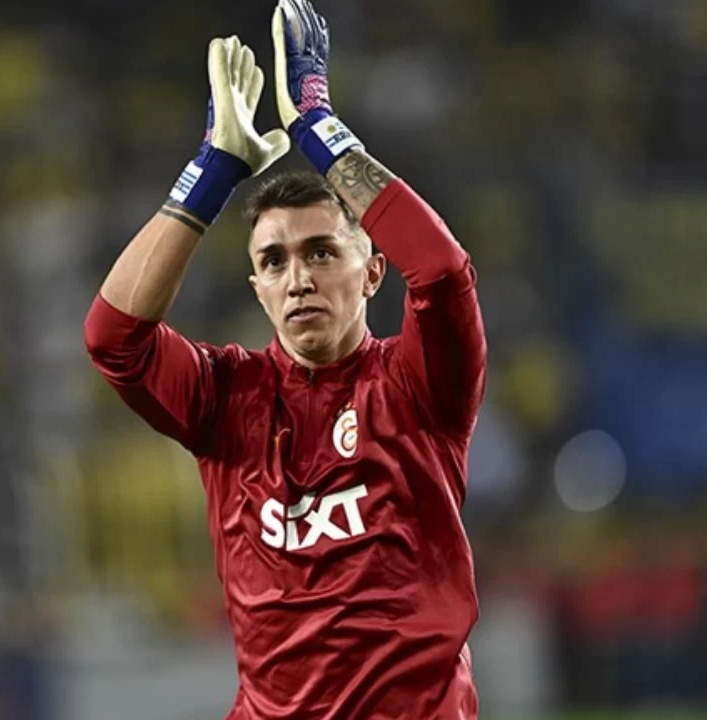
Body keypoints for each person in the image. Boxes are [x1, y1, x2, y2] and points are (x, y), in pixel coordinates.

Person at [84, 1, 486, 717]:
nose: (298, 277)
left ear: (373, 272)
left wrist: (316, 126)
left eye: (321, 252)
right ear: (258, 287)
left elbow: (443, 271)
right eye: (274, 261)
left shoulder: (419, 384)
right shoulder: (224, 397)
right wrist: (214, 170)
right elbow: (112, 337)